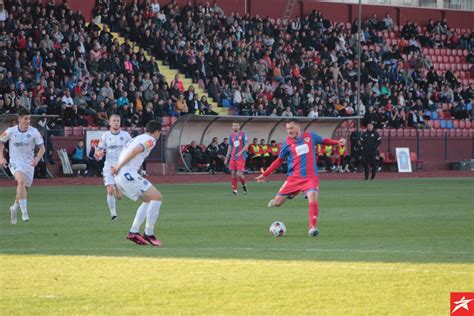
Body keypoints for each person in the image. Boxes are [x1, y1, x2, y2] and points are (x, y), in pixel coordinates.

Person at [256, 119, 346, 237]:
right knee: (277, 203)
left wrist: (337, 142)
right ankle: (293, 192)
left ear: (298, 127)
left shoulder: (310, 136)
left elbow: (324, 141)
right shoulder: (287, 143)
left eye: (291, 128)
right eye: (287, 129)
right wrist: (265, 174)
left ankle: (312, 227)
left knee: (313, 198)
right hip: (294, 178)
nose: (289, 131)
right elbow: (279, 160)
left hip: (310, 177)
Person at [112, 120, 163, 246]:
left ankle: (133, 232)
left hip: (121, 175)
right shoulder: (151, 140)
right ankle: (149, 233)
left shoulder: (137, 137)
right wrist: (119, 166)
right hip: (127, 173)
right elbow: (135, 151)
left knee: (148, 200)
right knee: (157, 197)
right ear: (156, 132)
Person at [0, 108, 45, 224]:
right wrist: (1, 157)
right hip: (15, 162)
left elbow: (42, 148)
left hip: (29, 164)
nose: (28, 121)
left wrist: (36, 159)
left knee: (23, 189)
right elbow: (1, 141)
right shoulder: (10, 131)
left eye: (29, 119)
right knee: (21, 182)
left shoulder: (34, 132)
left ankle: (14, 208)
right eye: (25, 119)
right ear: (19, 119)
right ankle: (24, 212)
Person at [95, 114, 131, 220]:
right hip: (109, 166)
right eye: (114, 121)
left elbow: (133, 149)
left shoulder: (126, 135)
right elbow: (98, 150)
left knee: (119, 196)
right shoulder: (105, 136)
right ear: (110, 123)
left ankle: (117, 188)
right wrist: (98, 154)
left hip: (122, 167)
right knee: (110, 190)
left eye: (118, 121)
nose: (116, 122)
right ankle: (113, 214)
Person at [224, 122, 249, 195]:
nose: (235, 127)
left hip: (241, 156)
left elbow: (247, 145)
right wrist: (226, 157)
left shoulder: (243, 134)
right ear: (232, 127)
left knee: (239, 174)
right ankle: (234, 190)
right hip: (233, 157)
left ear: (239, 126)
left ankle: (244, 184)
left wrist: (240, 152)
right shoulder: (231, 135)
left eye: (237, 125)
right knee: (233, 173)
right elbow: (230, 146)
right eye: (234, 125)